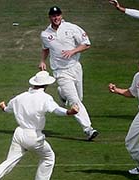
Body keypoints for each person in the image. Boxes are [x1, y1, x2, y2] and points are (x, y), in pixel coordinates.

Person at [0, 71, 79, 180]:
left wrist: (3, 107)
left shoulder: (20, 97)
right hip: (34, 137)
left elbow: (8, 109)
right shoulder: (45, 98)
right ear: (46, 84)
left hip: (19, 134)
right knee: (49, 157)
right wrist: (69, 112)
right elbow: (56, 110)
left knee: (8, 163)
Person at [39, 6, 99, 141]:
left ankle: (61, 92)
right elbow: (45, 49)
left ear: (61, 15)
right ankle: (88, 129)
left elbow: (86, 44)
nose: (56, 18)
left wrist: (73, 51)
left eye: (58, 15)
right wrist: (42, 61)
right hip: (60, 72)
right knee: (75, 101)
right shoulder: (45, 34)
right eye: (53, 16)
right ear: (50, 17)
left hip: (75, 68)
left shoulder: (72, 28)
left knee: (79, 98)